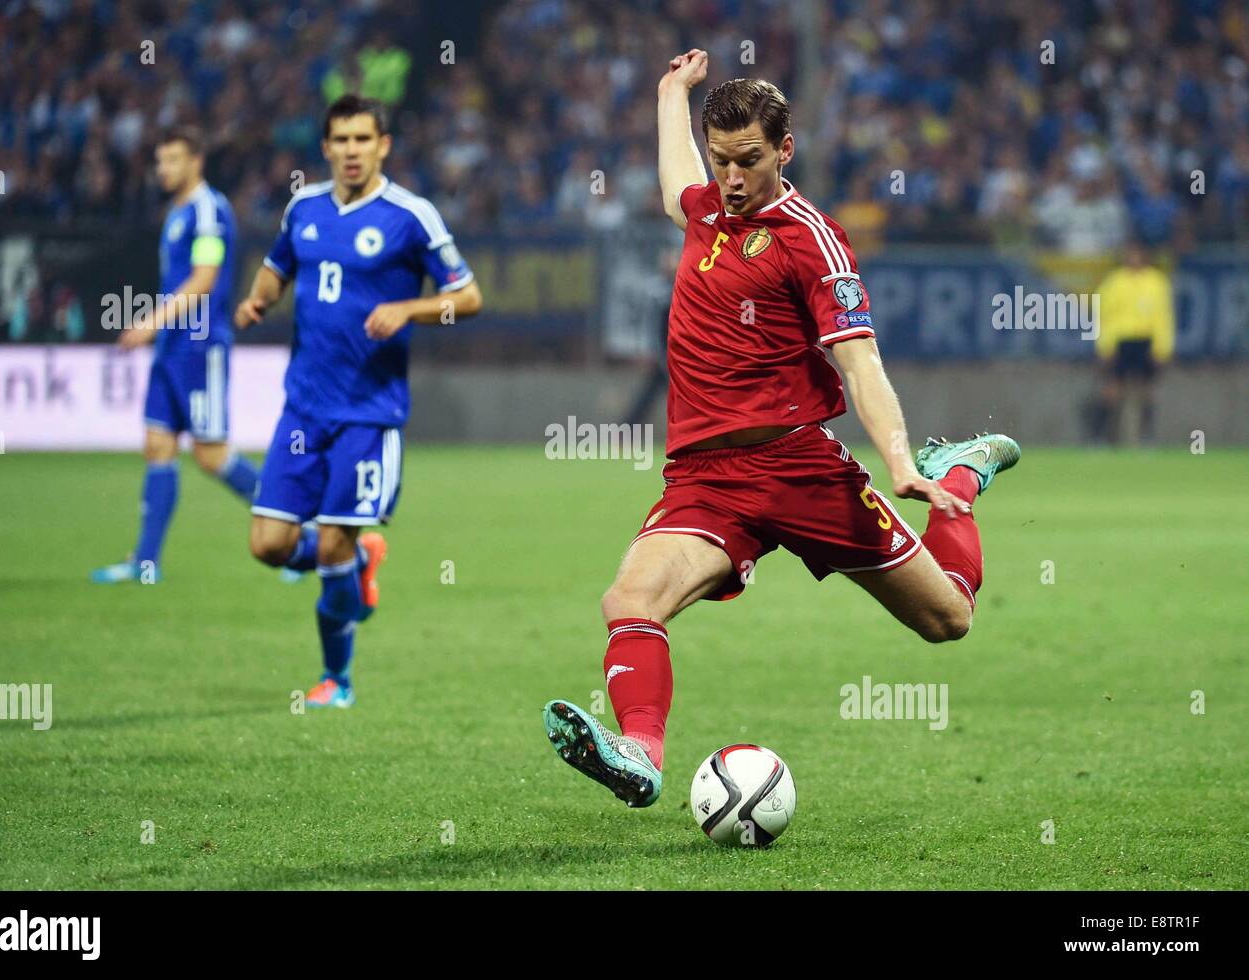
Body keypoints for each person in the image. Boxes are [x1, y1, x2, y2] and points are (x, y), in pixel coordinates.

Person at [542, 52, 1021, 807]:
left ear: (785, 151)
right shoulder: (704, 210)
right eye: (721, 160)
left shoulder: (813, 241)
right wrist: (672, 93)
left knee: (948, 619)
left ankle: (959, 472)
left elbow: (861, 364)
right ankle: (638, 751)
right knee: (629, 601)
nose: (731, 178)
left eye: (750, 161)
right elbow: (676, 184)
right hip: (704, 479)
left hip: (799, 469)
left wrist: (900, 460)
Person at [234, 95, 482, 708]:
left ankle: (335, 680)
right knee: (267, 545)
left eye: (362, 140)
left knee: (335, 545)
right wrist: (258, 299)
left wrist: (411, 308)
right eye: (340, 140)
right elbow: (276, 267)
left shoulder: (410, 216)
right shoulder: (304, 208)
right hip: (303, 409)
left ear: (383, 146)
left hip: (369, 414)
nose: (351, 151)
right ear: (326, 148)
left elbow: (468, 297)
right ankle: (359, 560)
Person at [92, 127, 259, 585]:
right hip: (171, 347)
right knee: (158, 446)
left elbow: (205, 280)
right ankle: (146, 564)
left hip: (199, 347)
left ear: (196, 161)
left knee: (211, 455)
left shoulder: (209, 211)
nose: (163, 169)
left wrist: (149, 322)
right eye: (160, 160)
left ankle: (297, 529)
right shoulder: (176, 212)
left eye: (172, 160)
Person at [1092, 241, 1174, 445]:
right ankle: (1100, 438)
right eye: (1130, 254)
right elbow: (1103, 316)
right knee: (1112, 391)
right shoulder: (1114, 282)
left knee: (1146, 392)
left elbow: (1163, 317)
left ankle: (1147, 439)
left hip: (1145, 341)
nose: (1134, 258)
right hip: (1121, 341)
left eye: (1138, 254)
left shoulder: (1157, 282)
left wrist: (1162, 348)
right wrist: (1104, 345)